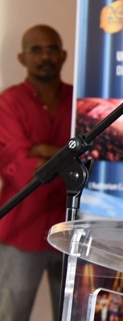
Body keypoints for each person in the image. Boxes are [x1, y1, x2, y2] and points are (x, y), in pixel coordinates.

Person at [0, 24, 73, 321]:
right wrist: (66, 153)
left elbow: (89, 158)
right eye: (37, 50)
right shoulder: (8, 102)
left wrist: (41, 149)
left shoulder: (78, 100)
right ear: (22, 58)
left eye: (52, 49)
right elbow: (19, 167)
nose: (45, 56)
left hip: (69, 229)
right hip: (21, 230)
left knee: (70, 315)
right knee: (10, 314)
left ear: (63, 55)